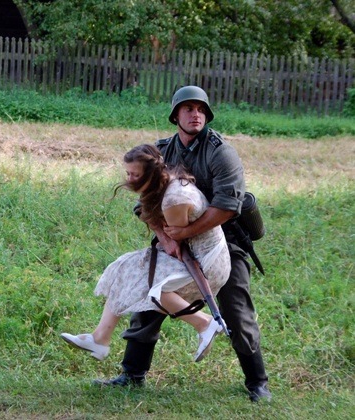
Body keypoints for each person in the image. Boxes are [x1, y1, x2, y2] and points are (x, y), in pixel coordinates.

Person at [93, 86, 272, 403]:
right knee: (147, 294)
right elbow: (143, 203)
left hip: (224, 242)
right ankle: (132, 374)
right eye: (188, 109)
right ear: (176, 115)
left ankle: (257, 382)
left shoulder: (221, 153)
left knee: (236, 310)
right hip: (174, 239)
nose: (195, 114)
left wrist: (184, 234)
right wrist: (165, 237)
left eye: (201, 109)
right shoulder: (161, 152)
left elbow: (228, 206)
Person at [60, 144, 231, 363]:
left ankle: (205, 323)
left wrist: (161, 229)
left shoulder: (173, 200)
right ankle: (100, 339)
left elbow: (176, 240)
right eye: (128, 173)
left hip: (207, 260)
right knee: (125, 267)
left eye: (136, 175)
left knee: (155, 290)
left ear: (151, 173)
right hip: (188, 253)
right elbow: (154, 220)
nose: (130, 180)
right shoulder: (160, 184)